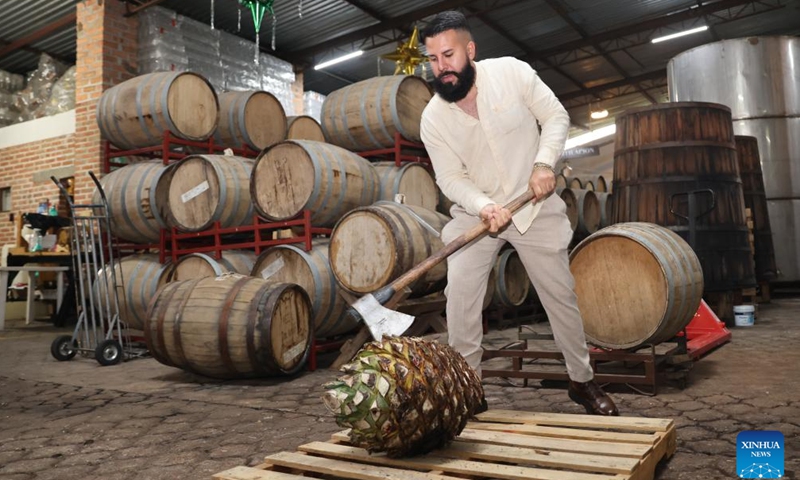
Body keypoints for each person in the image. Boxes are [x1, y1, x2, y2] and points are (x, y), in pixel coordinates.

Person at [420, 11, 618, 416]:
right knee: (459, 298)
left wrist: (544, 163)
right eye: (434, 59)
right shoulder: (433, 118)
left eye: (449, 55)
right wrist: (483, 206)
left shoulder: (512, 73)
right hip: (475, 213)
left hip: (534, 204)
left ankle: (582, 381)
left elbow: (555, 116)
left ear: (470, 51)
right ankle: (468, 389)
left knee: (559, 294)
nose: (442, 67)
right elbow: (450, 177)